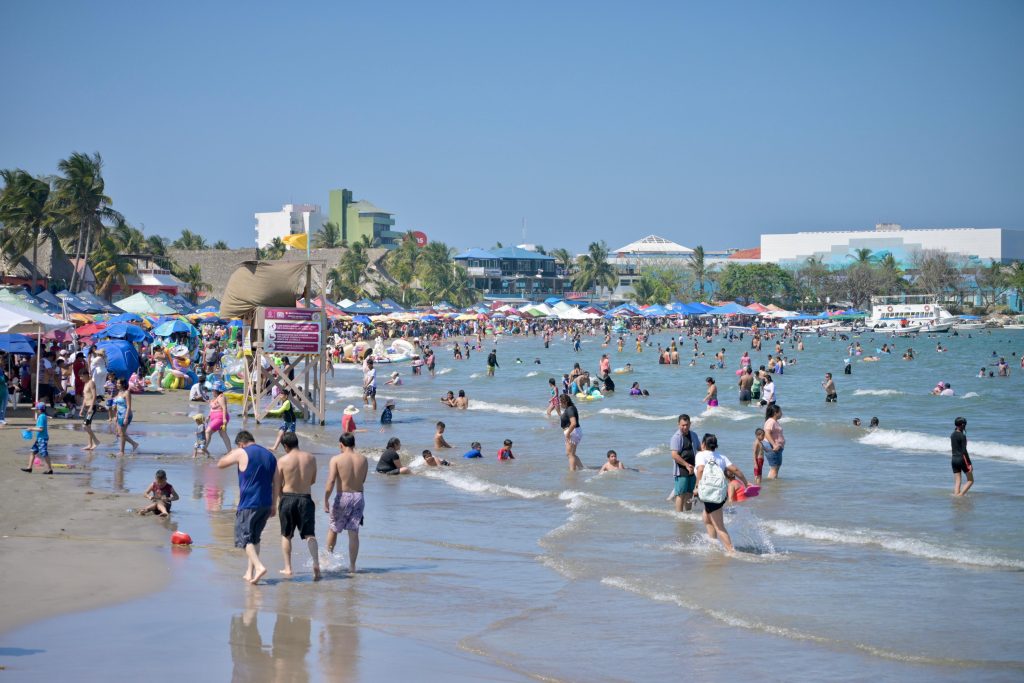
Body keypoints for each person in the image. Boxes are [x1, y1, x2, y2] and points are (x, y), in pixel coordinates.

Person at [218, 430, 278, 584]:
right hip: (266, 503)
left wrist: (232, 452)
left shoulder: (241, 452)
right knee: (254, 538)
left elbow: (220, 464)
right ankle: (250, 572)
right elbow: (277, 482)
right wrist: (274, 504)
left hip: (249, 503)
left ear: (241, 444)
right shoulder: (270, 456)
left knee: (244, 539)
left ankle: (259, 567)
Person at [274, 432, 320, 580]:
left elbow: (277, 485)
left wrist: (280, 498)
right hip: (305, 498)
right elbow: (313, 480)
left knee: (286, 535)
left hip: (288, 498)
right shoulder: (311, 458)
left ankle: (288, 568)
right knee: (310, 535)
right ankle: (316, 563)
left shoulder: (282, 461)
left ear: (285, 446)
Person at [695, 434, 749, 553]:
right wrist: (745, 483)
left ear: (703, 444)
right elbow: (735, 470)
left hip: (710, 494)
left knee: (719, 526)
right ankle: (713, 543)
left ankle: (731, 551)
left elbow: (700, 469)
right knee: (706, 517)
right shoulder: (721, 457)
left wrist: (697, 487)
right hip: (720, 493)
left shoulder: (700, 455)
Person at [324, 432, 368, 573]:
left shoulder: (336, 459)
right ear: (354, 444)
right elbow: (363, 480)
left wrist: (325, 499)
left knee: (333, 528)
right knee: (353, 532)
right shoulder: (363, 459)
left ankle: (327, 560)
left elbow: (331, 481)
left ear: (341, 445)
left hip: (343, 495)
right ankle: (352, 566)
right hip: (359, 496)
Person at [669, 414, 701, 511]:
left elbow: (700, 448)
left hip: (693, 469)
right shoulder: (676, 437)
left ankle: (688, 514)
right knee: (681, 494)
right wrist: (686, 465)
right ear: (678, 424)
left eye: (687, 425)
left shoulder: (694, 435)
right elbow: (674, 455)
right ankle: (679, 515)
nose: (685, 427)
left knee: (690, 493)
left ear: (690, 424)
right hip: (681, 469)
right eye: (683, 425)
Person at [21, 402, 54, 474]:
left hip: (42, 438)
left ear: (40, 410)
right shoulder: (43, 416)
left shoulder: (42, 417)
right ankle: (29, 468)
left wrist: (31, 429)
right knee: (33, 451)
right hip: (40, 438)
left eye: (36, 409)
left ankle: (50, 469)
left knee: (44, 453)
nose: (35, 411)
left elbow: (41, 429)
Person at [113, 379, 140, 456]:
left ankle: (122, 451)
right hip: (119, 414)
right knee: (119, 433)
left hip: (126, 414)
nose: (117, 384)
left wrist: (126, 418)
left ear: (123, 384)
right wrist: (116, 416)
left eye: (118, 383)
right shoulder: (119, 392)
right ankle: (134, 444)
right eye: (117, 383)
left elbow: (128, 406)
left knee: (122, 433)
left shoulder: (127, 393)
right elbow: (117, 406)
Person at [558, 394, 584, 471]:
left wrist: (568, 433)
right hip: (574, 431)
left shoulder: (570, 409)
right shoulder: (570, 408)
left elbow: (573, 423)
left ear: (565, 402)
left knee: (570, 454)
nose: (560, 404)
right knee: (572, 454)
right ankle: (581, 468)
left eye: (560, 402)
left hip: (572, 432)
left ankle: (572, 472)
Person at [205, 385, 232, 454]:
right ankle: (230, 451)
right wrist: (208, 417)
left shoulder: (221, 397)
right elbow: (212, 409)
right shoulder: (215, 398)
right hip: (215, 418)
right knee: (223, 434)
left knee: (208, 431)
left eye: (213, 390)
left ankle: (204, 449)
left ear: (216, 390)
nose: (212, 391)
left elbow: (224, 408)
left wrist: (224, 419)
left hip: (220, 418)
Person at [951, 417, 974, 496]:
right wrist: (969, 464)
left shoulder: (952, 434)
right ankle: (960, 496)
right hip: (961, 459)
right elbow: (964, 451)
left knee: (958, 481)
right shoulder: (962, 436)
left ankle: (956, 496)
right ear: (962, 425)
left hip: (954, 459)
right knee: (970, 480)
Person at [763, 404, 786, 479]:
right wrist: (774, 445)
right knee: (774, 469)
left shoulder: (774, 421)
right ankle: (772, 485)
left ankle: (773, 483)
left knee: (775, 468)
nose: (782, 413)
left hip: (776, 448)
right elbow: (767, 433)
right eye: (780, 412)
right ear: (775, 413)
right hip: (773, 447)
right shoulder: (771, 422)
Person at [79, 371, 100, 451]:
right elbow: (85, 398)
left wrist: (91, 408)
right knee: (88, 426)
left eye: (82, 376)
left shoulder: (91, 383)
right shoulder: (85, 384)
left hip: (92, 407)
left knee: (85, 425)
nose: (80, 378)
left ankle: (96, 441)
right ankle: (90, 444)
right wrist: (81, 409)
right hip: (87, 407)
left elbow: (94, 396)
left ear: (86, 375)